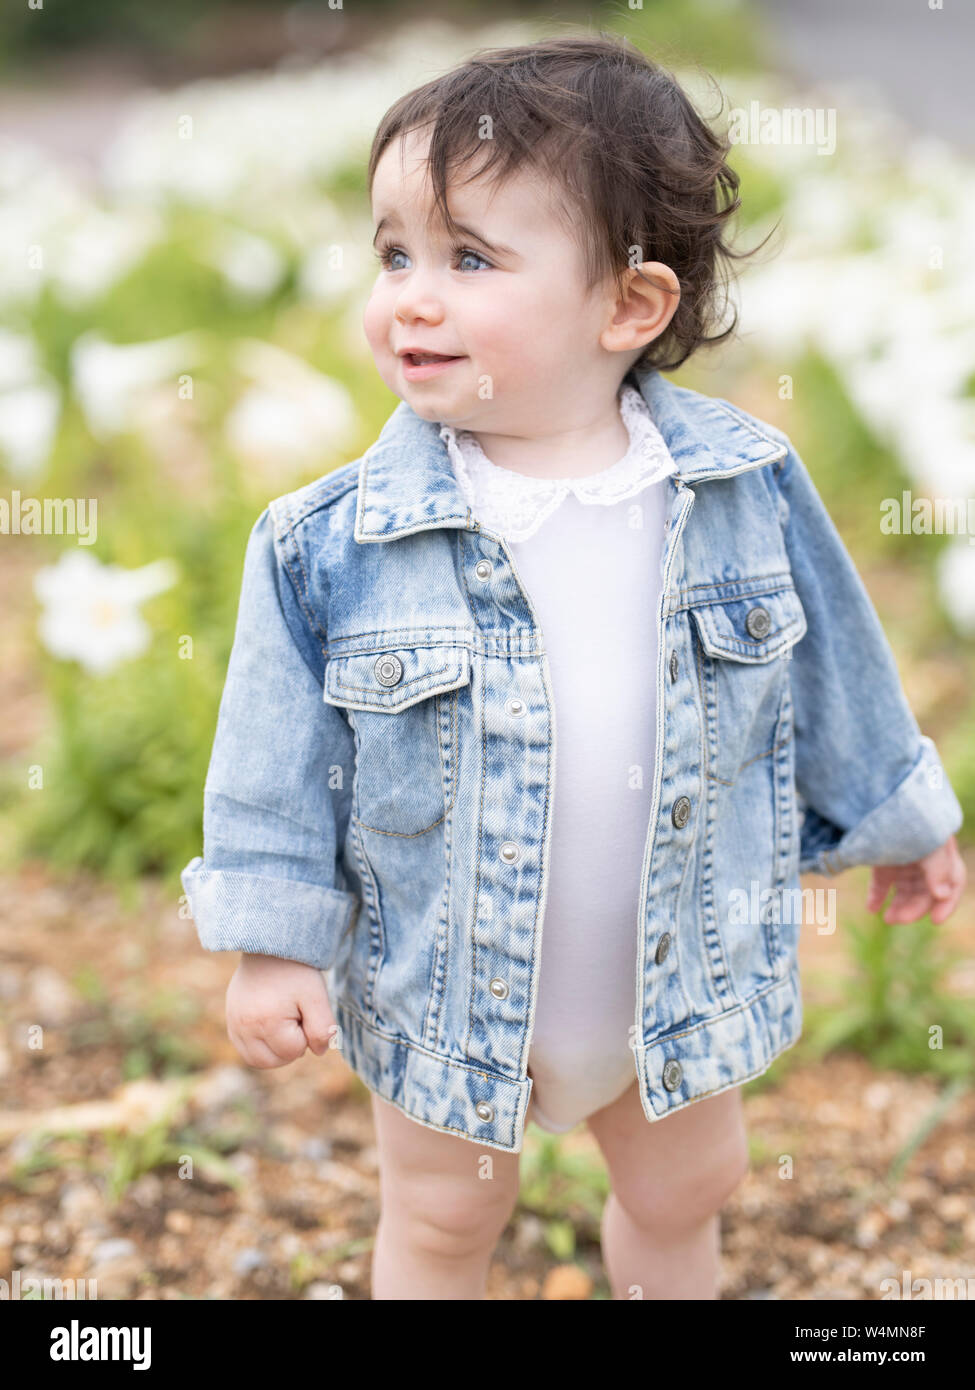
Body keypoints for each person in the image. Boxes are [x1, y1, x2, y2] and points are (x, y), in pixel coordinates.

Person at [181, 33, 966, 1300]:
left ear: (629, 306)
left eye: (469, 257)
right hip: (448, 986)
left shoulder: (737, 487)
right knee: (440, 1220)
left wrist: (900, 813)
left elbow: (838, 663)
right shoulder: (332, 541)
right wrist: (271, 941)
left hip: (678, 969)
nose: (409, 296)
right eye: (394, 253)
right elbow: (275, 761)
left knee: (685, 1190)